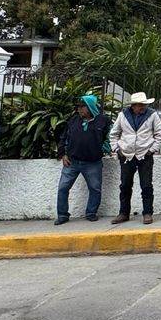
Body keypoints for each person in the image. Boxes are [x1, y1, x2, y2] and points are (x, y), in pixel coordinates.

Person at [110, 91, 161, 224]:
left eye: (144, 104)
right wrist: (117, 149)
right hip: (126, 155)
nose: (142, 107)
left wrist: (151, 150)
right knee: (125, 185)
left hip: (145, 155)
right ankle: (123, 213)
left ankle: (147, 213)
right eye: (140, 105)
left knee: (146, 185)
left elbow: (160, 134)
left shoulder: (152, 115)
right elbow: (114, 134)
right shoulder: (123, 115)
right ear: (133, 106)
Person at [55, 94, 110, 225]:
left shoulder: (103, 121)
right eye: (78, 107)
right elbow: (64, 138)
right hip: (72, 162)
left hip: (93, 162)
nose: (79, 110)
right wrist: (63, 154)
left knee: (95, 188)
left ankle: (91, 213)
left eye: (82, 107)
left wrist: (104, 148)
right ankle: (62, 215)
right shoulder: (73, 120)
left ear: (90, 107)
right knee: (63, 188)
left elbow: (110, 137)